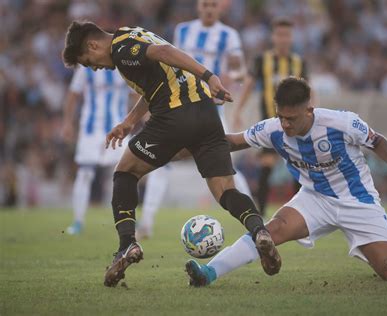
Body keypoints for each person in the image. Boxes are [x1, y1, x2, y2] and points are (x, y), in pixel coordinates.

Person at [62, 21, 279, 287]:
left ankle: (127, 244)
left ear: (93, 45)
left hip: (175, 117)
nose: (94, 67)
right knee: (224, 190)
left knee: (125, 173)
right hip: (206, 114)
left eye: (88, 61)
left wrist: (209, 76)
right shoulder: (131, 34)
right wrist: (130, 121)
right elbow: (156, 82)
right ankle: (260, 232)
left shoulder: (121, 49)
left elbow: (163, 53)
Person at [185, 77, 387, 287]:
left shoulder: (341, 122)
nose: (285, 124)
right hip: (315, 198)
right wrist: (192, 143)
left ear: (308, 110)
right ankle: (207, 273)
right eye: (281, 117)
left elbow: (377, 141)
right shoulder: (273, 128)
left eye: (291, 119)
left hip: (357, 200)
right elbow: (234, 142)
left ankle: (377, 252)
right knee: (268, 233)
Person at [135, 0, 253, 239]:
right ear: (198, 7)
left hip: (211, 109)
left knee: (225, 163)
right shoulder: (183, 30)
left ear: (219, 8)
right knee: (161, 162)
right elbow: (170, 64)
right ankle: (146, 223)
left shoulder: (228, 36)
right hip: (180, 104)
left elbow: (240, 71)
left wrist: (232, 76)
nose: (209, 8)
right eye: (205, 4)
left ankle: (254, 215)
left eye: (213, 4)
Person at [62, 66, 168, 235]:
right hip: (91, 130)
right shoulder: (85, 67)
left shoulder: (122, 68)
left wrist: (150, 117)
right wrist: (67, 122)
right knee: (85, 173)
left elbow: (137, 95)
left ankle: (127, 217)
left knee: (128, 172)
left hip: (118, 129)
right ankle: (78, 221)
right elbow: (73, 94)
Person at [233, 17, 307, 216]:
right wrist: (238, 110)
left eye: (287, 35)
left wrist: (311, 111)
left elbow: (308, 91)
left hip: (296, 125)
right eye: (280, 34)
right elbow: (248, 85)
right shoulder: (262, 60)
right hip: (271, 124)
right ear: (273, 36)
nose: (283, 39)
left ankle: (299, 213)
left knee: (297, 169)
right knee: (266, 167)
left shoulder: (298, 62)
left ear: (291, 37)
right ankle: (261, 214)